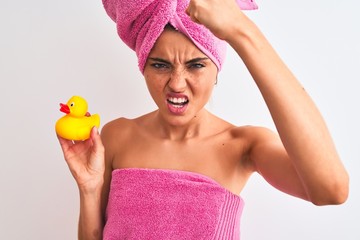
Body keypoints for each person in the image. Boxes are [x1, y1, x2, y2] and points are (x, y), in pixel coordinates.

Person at [57, 0, 349, 239]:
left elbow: (331, 189)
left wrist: (242, 32)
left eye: (196, 65)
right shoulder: (117, 135)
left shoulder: (244, 146)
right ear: (143, 67)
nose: (177, 84)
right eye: (160, 65)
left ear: (217, 69)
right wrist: (89, 189)